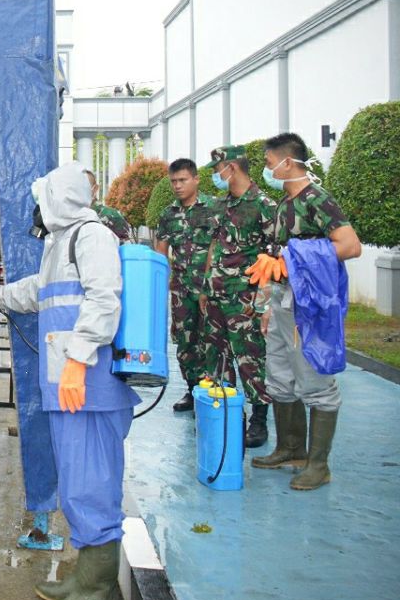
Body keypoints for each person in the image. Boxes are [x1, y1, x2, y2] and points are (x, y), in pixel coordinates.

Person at [0, 162, 137, 600]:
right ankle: (85, 575)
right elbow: (38, 292)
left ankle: (96, 593)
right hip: (66, 381)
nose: (38, 205)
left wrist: (78, 361)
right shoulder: (60, 242)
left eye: (44, 196)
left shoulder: (92, 236)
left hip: (87, 382)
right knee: (76, 482)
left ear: (60, 197)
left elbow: (104, 299)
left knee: (92, 483)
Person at [253, 132, 361, 490]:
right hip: (282, 302)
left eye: (270, 164)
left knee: (314, 378)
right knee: (280, 375)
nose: (267, 170)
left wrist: (294, 260)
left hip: (311, 303)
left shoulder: (318, 199)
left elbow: (349, 245)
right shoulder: (284, 205)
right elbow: (277, 259)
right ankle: (290, 447)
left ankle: (319, 465)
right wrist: (268, 301)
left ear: (288, 162)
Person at [201, 145, 275, 447]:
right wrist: (207, 286)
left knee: (250, 358)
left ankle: (259, 420)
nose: (216, 176)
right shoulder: (220, 206)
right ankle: (227, 416)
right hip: (216, 295)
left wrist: (264, 304)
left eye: (218, 170)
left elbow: (273, 256)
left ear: (231, 168)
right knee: (217, 359)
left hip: (245, 299)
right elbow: (213, 248)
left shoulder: (264, 205)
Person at [154, 158, 216, 412]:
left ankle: (211, 391)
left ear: (196, 179)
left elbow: (221, 246)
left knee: (211, 342)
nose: (178, 186)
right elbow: (160, 253)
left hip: (210, 290)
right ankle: (192, 391)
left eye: (183, 180)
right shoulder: (168, 215)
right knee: (185, 343)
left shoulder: (214, 208)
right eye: (173, 182)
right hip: (181, 291)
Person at [84, 170, 132, 244]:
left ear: (95, 188)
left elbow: (125, 248)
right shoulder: (71, 216)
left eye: (84, 187)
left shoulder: (112, 216)